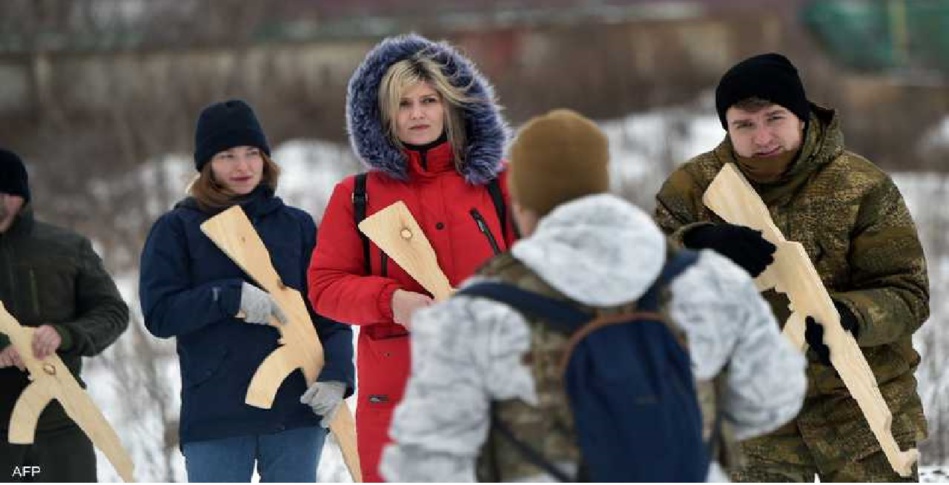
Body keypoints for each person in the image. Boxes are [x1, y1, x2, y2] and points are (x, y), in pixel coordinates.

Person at [379, 109, 806, 482]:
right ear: (602, 186)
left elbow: (426, 461)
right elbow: (774, 396)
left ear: (521, 205)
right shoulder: (708, 280)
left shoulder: (477, 312)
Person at [654, 53, 930, 482]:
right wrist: (697, 245)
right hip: (754, 409)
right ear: (727, 126)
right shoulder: (694, 188)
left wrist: (850, 317)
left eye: (774, 118)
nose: (762, 136)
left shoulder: (862, 186)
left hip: (860, 402)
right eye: (744, 124)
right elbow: (643, 275)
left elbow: (908, 295)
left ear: (801, 116)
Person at [307, 33, 515, 482]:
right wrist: (391, 302)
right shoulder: (356, 196)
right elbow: (324, 287)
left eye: (428, 100)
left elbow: (542, 272)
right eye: (403, 104)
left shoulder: (498, 186)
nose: (418, 113)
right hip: (398, 397)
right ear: (383, 114)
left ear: (451, 106)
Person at [139, 99, 354, 482]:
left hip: (296, 414)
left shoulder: (297, 226)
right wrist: (225, 297)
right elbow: (159, 314)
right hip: (216, 419)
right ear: (207, 165)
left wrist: (337, 374)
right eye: (227, 155)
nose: (242, 166)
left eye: (252, 153)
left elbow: (329, 313)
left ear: (265, 158)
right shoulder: (177, 229)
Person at [0, 148, 129, 482]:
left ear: (18, 195)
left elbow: (112, 312)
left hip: (62, 429)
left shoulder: (67, 248)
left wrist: (65, 334)